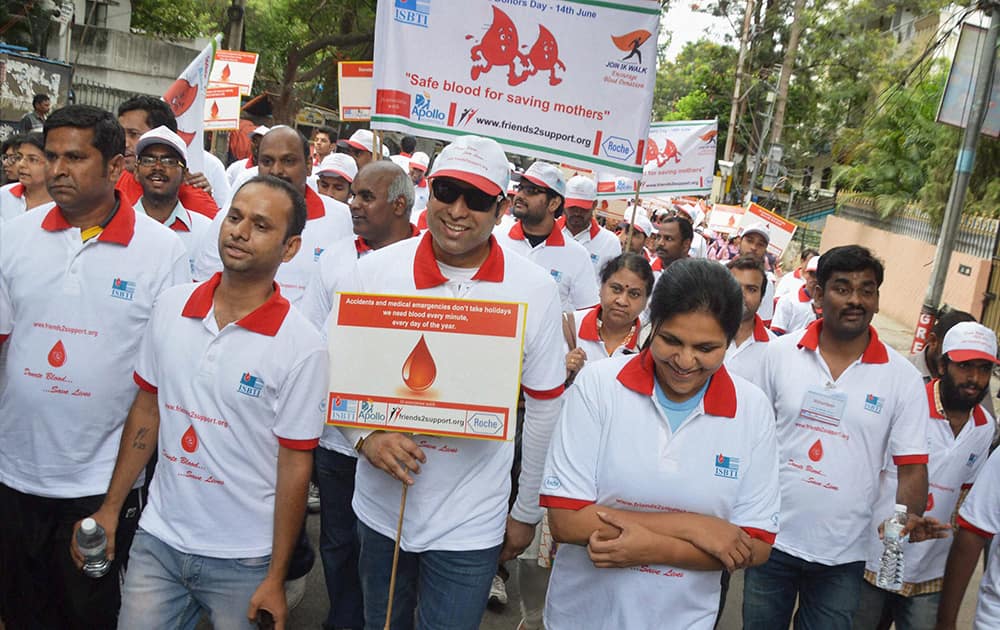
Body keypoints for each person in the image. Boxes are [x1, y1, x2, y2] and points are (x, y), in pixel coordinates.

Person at [340, 135, 565, 629]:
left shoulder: (536, 290)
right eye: (447, 191)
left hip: (472, 519)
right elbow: (335, 374)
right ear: (428, 191)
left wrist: (526, 510)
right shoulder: (373, 273)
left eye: (478, 199)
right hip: (382, 511)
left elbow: (545, 407)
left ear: (501, 208)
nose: (458, 210)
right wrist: (366, 437)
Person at [84, 175, 327, 629]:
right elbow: (147, 409)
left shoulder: (303, 346)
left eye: (260, 225)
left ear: (290, 248)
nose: (238, 231)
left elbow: (296, 466)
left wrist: (276, 575)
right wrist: (112, 508)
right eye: (234, 217)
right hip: (158, 541)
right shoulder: (172, 307)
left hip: (244, 559)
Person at [0, 104, 189, 628]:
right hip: (13, 477)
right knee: (19, 612)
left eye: (75, 158)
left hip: (97, 487)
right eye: (53, 156)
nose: (57, 169)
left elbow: (160, 386)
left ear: (113, 167)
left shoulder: (162, 252)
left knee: (87, 616)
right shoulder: (14, 236)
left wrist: (113, 503)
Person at [540, 257, 780, 629]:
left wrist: (654, 548)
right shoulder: (599, 386)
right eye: (670, 340)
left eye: (706, 348)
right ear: (653, 325)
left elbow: (754, 545)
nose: (685, 361)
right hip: (583, 615)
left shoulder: (752, 411)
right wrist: (696, 528)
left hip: (682, 620)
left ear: (731, 340)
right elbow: (567, 520)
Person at [743, 245, 934, 630]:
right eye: (842, 288)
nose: (855, 300)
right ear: (818, 294)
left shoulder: (903, 379)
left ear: (878, 300)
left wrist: (904, 523)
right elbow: (750, 439)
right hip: (770, 541)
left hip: (845, 555)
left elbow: (912, 467)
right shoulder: (778, 355)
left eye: (867, 290)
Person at [301, 160, 418, 630]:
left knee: (388, 551)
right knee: (338, 542)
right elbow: (310, 343)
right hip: (336, 438)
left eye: (366, 196)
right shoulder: (333, 259)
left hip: (398, 443)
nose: (353, 204)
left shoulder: (425, 264)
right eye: (353, 195)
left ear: (400, 205)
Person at [854, 321, 996, 630]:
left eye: (984, 369)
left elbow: (964, 499)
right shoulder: (909, 404)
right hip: (872, 559)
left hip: (929, 571)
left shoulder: (985, 428)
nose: (974, 379)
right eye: (965, 366)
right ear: (943, 365)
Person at [194, 126, 353, 304]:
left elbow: (344, 290)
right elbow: (206, 282)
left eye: (288, 161)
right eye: (267, 161)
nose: (276, 171)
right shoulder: (230, 218)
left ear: (309, 166)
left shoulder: (340, 217)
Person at [496, 161, 599, 313]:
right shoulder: (497, 238)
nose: (520, 195)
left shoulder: (577, 256)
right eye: (521, 188)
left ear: (554, 204)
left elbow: (587, 312)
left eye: (531, 190)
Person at [116, 95, 219, 218]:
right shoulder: (110, 182)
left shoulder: (199, 205)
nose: (125, 143)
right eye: (121, 134)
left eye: (133, 134)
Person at [133, 126, 212, 274]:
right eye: (148, 160)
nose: (158, 167)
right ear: (136, 171)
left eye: (169, 161)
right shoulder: (119, 224)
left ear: (185, 175)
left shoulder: (205, 231)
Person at [555, 175, 622, 282]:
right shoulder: (546, 232)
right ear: (563, 203)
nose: (577, 212)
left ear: (594, 204)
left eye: (583, 208)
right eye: (572, 207)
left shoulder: (610, 242)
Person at [723, 254, 773, 388]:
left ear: (761, 297)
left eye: (751, 289)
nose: (742, 294)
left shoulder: (774, 348)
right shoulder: (701, 335)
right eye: (735, 285)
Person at [911, 309, 977, 384]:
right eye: (952, 348)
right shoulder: (904, 371)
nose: (961, 358)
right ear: (933, 341)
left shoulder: (973, 381)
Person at [0, 132, 54, 221]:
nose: (21, 164)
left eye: (33, 160)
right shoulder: (4, 194)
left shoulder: (64, 204)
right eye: (19, 157)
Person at [735, 223, 777, 324]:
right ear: (739, 241)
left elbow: (763, 322)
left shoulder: (767, 284)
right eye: (749, 241)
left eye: (760, 244)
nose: (754, 247)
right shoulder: (721, 270)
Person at [770, 255, 821, 336]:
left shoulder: (830, 305)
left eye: (820, 276)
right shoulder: (788, 300)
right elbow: (776, 334)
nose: (816, 279)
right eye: (812, 274)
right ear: (806, 274)